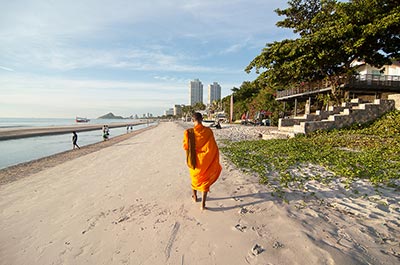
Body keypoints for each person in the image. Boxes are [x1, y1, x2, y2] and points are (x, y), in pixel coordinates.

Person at [183, 112, 222, 210]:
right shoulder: (208, 131)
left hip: (194, 160)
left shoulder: (188, 132)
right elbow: (213, 146)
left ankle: (195, 197)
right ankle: (203, 204)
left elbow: (185, 146)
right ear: (202, 119)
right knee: (205, 181)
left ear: (193, 120)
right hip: (206, 160)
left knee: (195, 179)